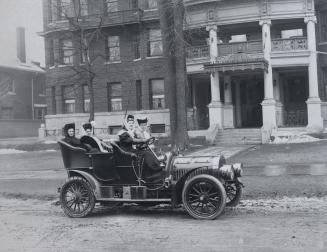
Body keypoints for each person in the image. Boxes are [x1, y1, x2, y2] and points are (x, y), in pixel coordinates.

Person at [118, 115, 164, 182]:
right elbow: (132, 140)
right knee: (146, 154)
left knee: (147, 152)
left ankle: (154, 171)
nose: (131, 125)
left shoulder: (128, 132)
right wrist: (143, 140)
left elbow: (133, 142)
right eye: (129, 123)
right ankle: (155, 170)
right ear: (125, 124)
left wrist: (142, 143)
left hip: (131, 150)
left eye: (132, 123)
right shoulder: (122, 133)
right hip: (127, 152)